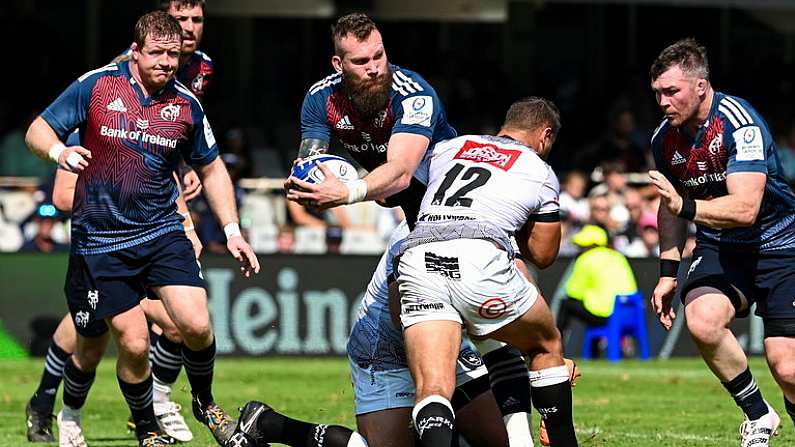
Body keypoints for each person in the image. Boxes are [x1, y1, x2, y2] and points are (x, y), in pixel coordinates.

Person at [285, 13, 545, 447]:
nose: (374, 67)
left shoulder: (414, 94)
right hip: (413, 226)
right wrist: (307, 181)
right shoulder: (320, 100)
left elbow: (403, 173)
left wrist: (347, 191)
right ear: (338, 65)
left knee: (504, 308)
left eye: (379, 55)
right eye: (361, 60)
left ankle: (519, 434)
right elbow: (309, 162)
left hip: (459, 215)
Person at [25, 11, 258, 447]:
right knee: (123, 344)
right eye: (158, 53)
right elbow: (38, 130)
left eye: (174, 54)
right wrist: (60, 153)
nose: (168, 62)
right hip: (101, 242)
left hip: (159, 232)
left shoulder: (187, 103)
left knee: (194, 324)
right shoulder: (96, 86)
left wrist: (230, 229)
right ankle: (134, 424)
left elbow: (211, 169)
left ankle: (204, 402)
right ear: (136, 52)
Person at [227, 221, 513, 447]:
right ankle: (268, 424)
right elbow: (398, 311)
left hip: (448, 340)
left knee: (502, 441)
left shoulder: (494, 220)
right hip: (386, 350)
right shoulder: (417, 229)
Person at [394, 97, 578, 446]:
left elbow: (404, 190)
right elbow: (542, 254)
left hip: (419, 255)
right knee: (546, 342)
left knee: (433, 388)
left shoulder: (452, 146)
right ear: (546, 136)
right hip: (478, 258)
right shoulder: (539, 170)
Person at [648, 38, 795, 447]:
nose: (663, 101)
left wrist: (685, 205)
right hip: (721, 247)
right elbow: (669, 208)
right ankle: (759, 415)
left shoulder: (739, 123)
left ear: (700, 86)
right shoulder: (664, 138)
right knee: (702, 319)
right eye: (657, 92)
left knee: (788, 369)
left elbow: (746, 207)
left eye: (671, 91)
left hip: (781, 246)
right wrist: (667, 272)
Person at [556, 225, 639, 345]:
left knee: (566, 304)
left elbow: (573, 292)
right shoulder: (618, 256)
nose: (580, 248)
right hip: (628, 313)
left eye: (582, 245)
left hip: (605, 316)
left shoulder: (586, 258)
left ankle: (556, 346)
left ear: (590, 244)